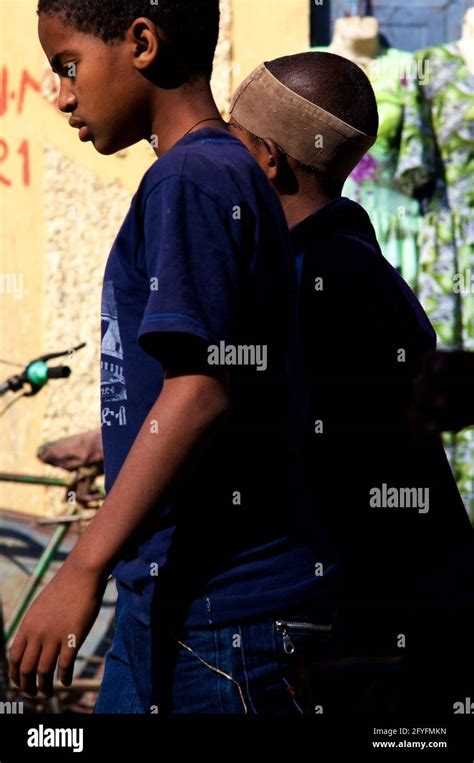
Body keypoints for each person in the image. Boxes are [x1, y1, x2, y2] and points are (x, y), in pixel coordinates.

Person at [8, 2, 341, 715]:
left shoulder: (192, 181)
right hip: (187, 605)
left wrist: (82, 564)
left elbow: (201, 392)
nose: (59, 94)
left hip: (218, 623)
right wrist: (115, 443)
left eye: (68, 66)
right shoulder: (218, 171)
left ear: (142, 44)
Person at [229, 52, 474, 713]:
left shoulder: (320, 280)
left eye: (233, 142)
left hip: (376, 622)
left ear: (271, 160)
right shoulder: (349, 257)